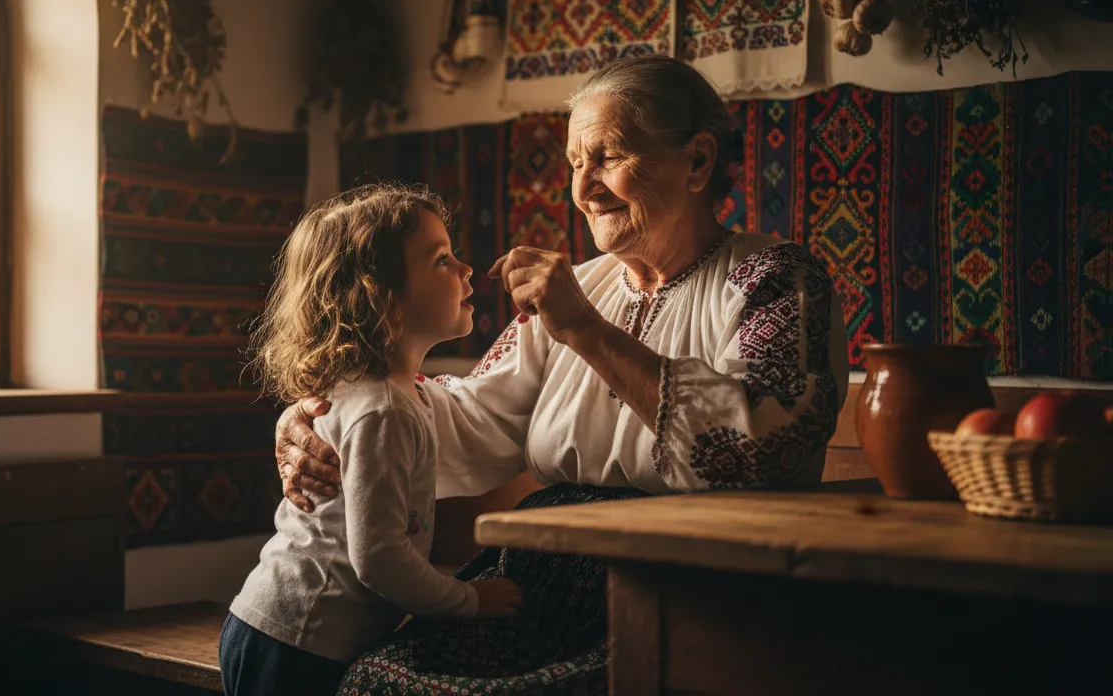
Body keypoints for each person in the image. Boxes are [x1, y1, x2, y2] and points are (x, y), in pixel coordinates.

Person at [275, 54, 851, 694]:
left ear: (696, 162)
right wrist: (325, 414)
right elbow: (463, 419)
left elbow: (755, 451)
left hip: (690, 590)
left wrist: (585, 329)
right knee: (374, 679)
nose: (584, 190)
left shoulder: (776, 281)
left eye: (607, 157)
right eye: (577, 163)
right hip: (548, 579)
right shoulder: (582, 290)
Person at [220, 184, 525, 695]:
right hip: (296, 642)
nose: (466, 270)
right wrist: (469, 600)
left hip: (298, 636)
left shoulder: (394, 398)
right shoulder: (382, 410)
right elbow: (378, 557)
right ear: (383, 298)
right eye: (442, 260)